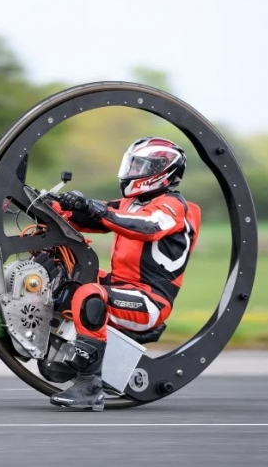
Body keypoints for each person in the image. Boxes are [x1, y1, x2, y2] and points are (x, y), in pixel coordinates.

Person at [48, 137, 202, 411]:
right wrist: (49, 205)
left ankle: (90, 386)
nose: (133, 172)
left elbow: (147, 226)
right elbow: (89, 217)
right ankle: (61, 353)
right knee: (70, 274)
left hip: (150, 301)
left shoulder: (173, 206)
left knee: (89, 295)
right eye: (132, 165)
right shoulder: (132, 203)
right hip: (124, 288)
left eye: (140, 166)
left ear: (161, 172)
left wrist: (97, 209)